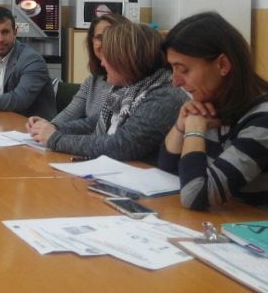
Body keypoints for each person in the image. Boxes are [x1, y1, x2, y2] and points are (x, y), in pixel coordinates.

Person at [28, 21, 187, 162]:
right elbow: (93, 123)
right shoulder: (127, 89)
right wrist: (51, 128)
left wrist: (55, 138)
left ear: (126, 60)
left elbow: (121, 145)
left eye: (107, 56)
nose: (102, 63)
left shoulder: (164, 95)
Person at [158, 12, 268, 210]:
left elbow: (196, 195)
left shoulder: (262, 120)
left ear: (222, 65)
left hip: (253, 232)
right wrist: (181, 126)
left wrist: (194, 131)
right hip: (223, 222)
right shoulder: (212, 105)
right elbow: (167, 173)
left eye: (183, 70)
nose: (175, 82)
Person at [27, 14, 127, 132]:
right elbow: (69, 114)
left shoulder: (133, 86)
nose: (106, 42)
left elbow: (99, 126)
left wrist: (54, 130)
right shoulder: (92, 81)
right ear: (92, 42)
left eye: (111, 37)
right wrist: (48, 126)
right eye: (99, 37)